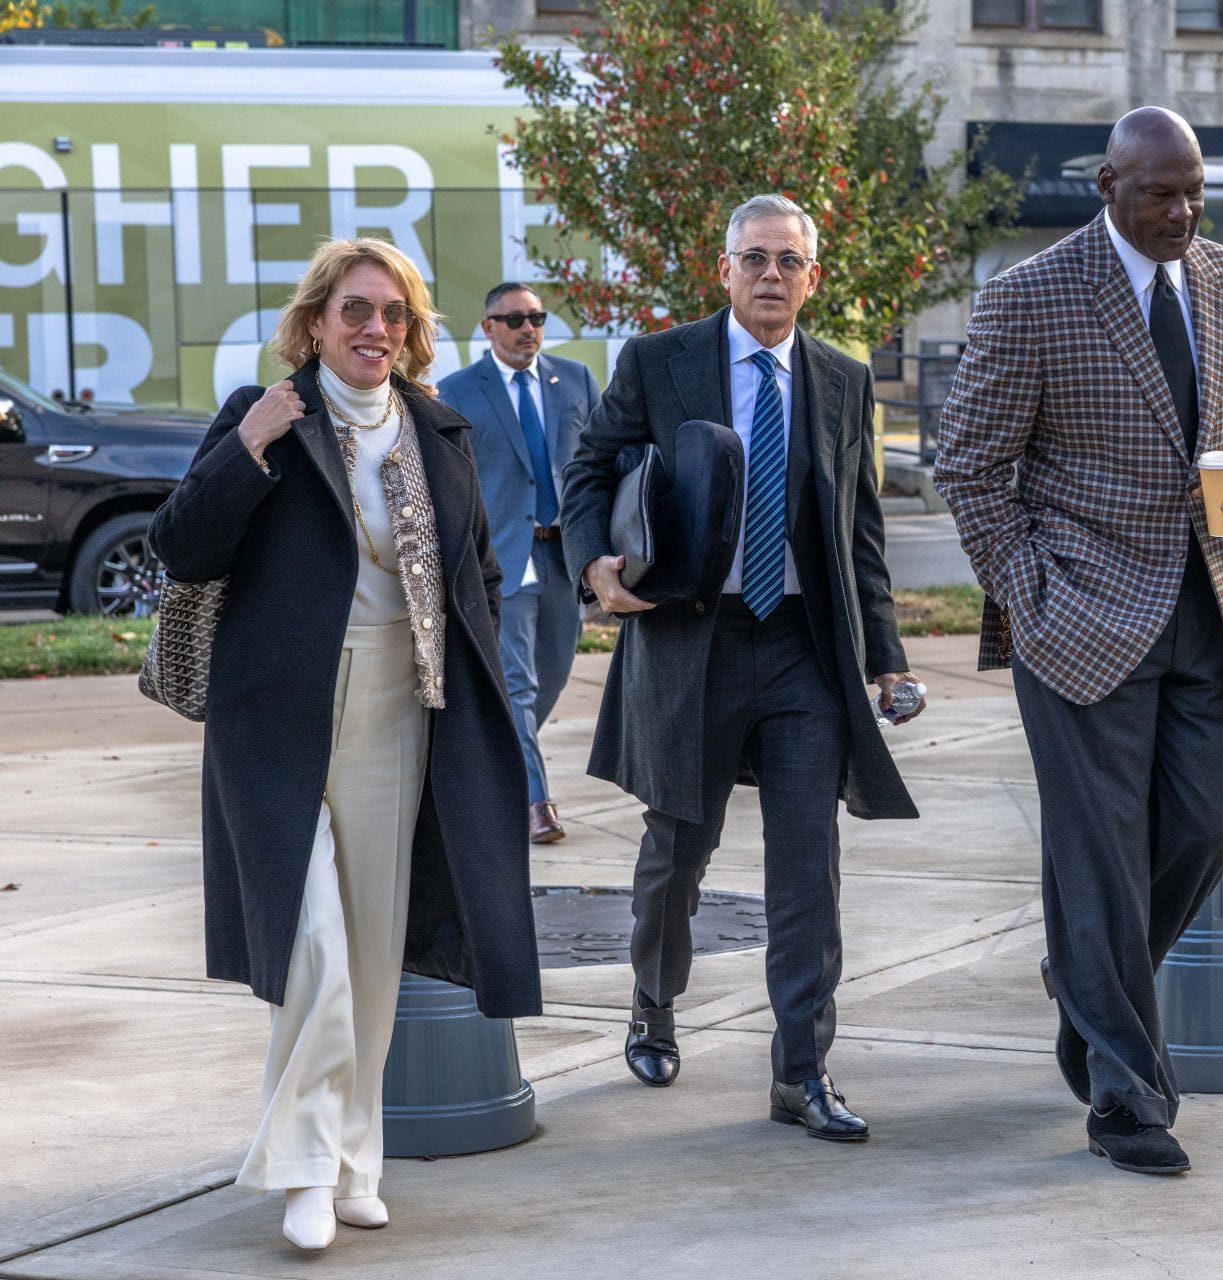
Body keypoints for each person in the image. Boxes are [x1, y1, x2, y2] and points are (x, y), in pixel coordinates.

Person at [148, 237, 542, 1252]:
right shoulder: (263, 415)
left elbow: (480, 577)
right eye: (355, 310)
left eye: (395, 314)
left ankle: (357, 1159)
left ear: (411, 332)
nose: (375, 329)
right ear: (315, 320)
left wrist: (481, 682)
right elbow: (182, 543)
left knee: (371, 952)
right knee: (314, 945)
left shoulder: (437, 429)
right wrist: (251, 449)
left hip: (401, 706)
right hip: (278, 716)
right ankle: (305, 1167)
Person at [936, 108, 1223, 1176]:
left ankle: (1085, 981)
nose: (1180, 212)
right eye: (1159, 194)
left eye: (1193, 193)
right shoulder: (1031, 295)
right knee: (1101, 859)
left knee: (1202, 833)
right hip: (1078, 620)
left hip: (1207, 610)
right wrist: (1028, 592)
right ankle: (1130, 1097)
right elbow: (966, 463)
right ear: (1107, 185)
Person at [560, 194, 920, 1142]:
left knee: (809, 869)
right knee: (678, 853)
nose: (771, 275)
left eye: (788, 261)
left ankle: (800, 1071)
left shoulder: (842, 379)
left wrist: (884, 658)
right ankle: (653, 1002)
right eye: (754, 258)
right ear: (724, 269)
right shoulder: (658, 361)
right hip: (694, 643)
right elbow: (590, 467)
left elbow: (860, 533)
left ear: (813, 275)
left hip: (803, 651)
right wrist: (594, 560)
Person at [439, 282, 602, 844]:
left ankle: (501, 758)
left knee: (552, 672)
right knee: (519, 682)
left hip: (566, 554)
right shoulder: (458, 391)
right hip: (503, 555)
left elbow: (607, 457)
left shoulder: (575, 380)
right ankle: (534, 800)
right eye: (513, 320)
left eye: (536, 317)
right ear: (488, 327)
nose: (527, 328)